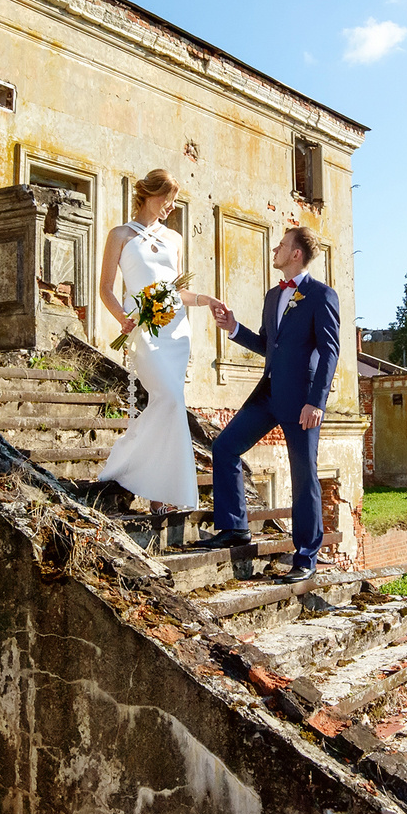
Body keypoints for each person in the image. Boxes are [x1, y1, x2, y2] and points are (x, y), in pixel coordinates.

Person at [198, 225, 341, 576]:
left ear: (296, 254)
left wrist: (317, 401)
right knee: (225, 447)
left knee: (303, 475)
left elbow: (329, 352)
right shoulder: (273, 297)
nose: (274, 249)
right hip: (268, 395)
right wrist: (233, 329)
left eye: (281, 245)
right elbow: (269, 346)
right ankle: (235, 528)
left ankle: (305, 557)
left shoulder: (322, 296)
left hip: (303, 402)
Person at [92, 171, 199, 511]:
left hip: (175, 330)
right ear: (151, 194)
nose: (172, 205)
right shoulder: (120, 235)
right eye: (168, 198)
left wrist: (205, 302)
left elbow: (177, 290)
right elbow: (106, 288)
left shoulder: (175, 239)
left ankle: (159, 493)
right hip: (142, 330)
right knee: (166, 398)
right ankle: (127, 464)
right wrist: (123, 319)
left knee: (169, 402)